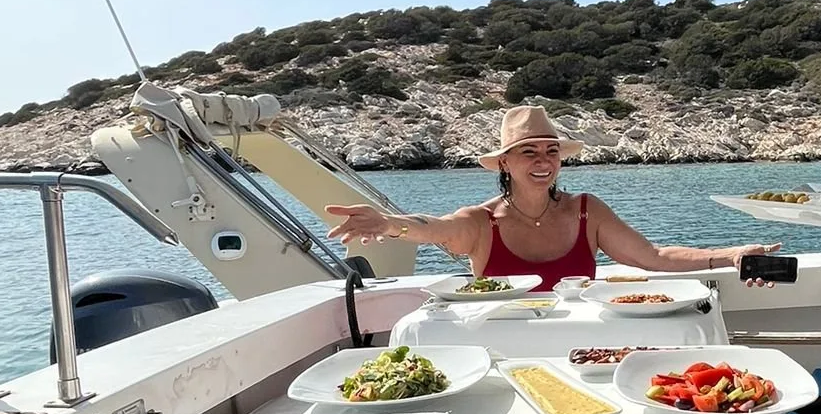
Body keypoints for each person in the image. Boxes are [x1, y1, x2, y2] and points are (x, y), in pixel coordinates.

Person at [324, 106, 779, 290]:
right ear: (505, 162)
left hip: (585, 346)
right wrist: (387, 222)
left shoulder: (587, 210)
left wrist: (732, 254)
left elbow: (654, 257)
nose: (543, 160)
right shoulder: (481, 222)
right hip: (504, 352)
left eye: (551, 151)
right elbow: (432, 228)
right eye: (528, 151)